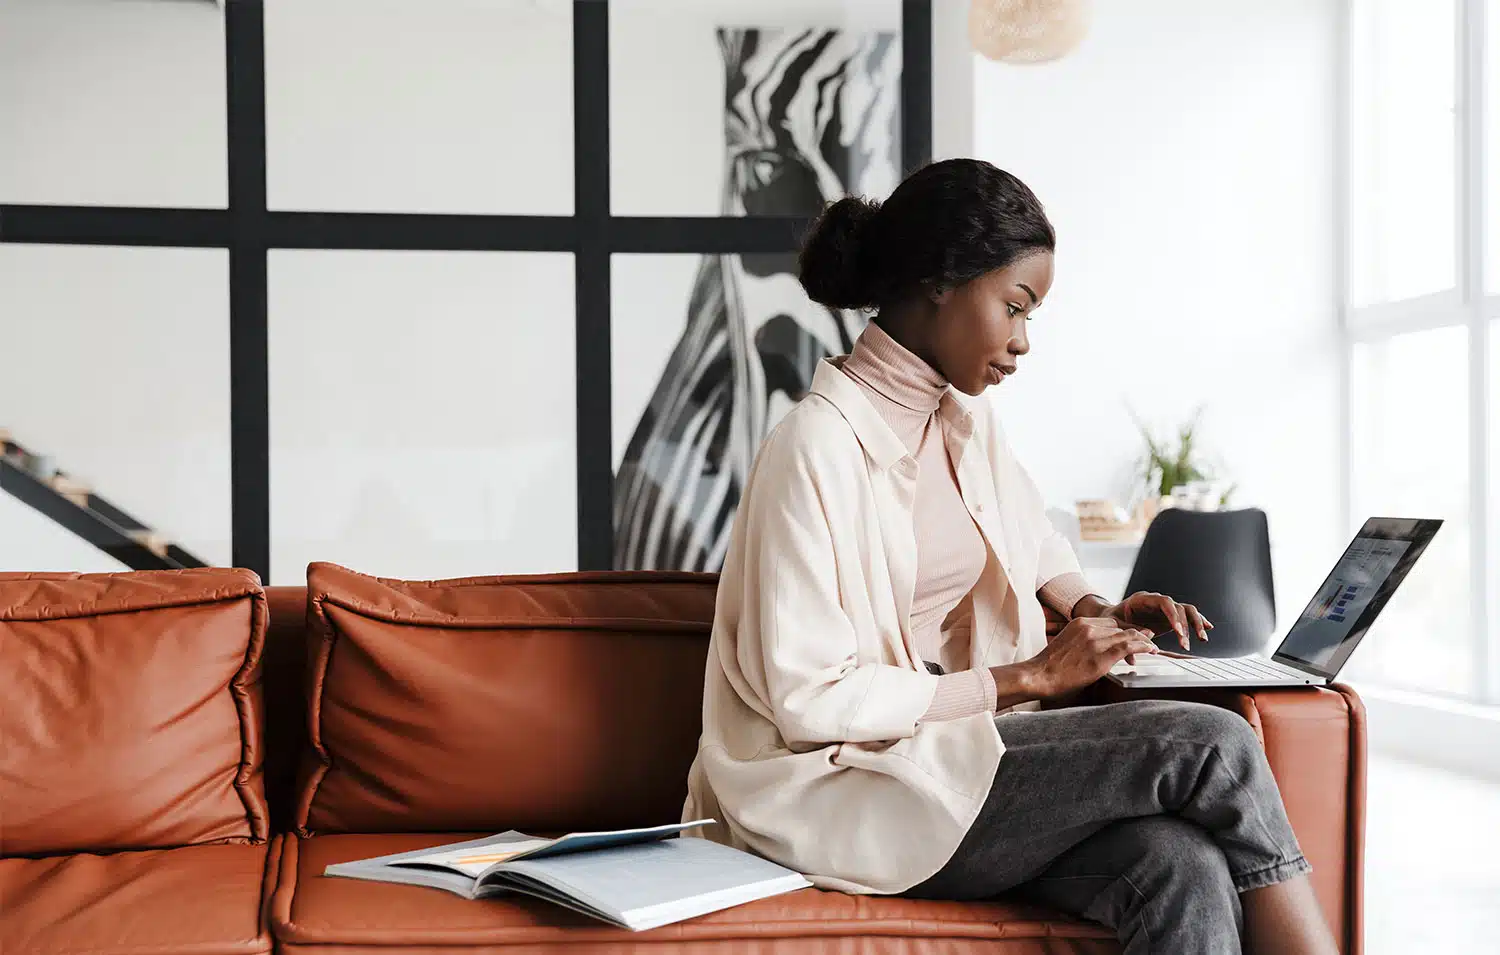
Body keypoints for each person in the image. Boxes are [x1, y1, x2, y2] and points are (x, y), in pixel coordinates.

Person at [681, 159, 1339, 955]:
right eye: (1015, 307)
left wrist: (1095, 609)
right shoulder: (813, 447)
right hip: (841, 789)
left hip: (942, 766)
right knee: (1212, 744)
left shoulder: (964, 423)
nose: (1023, 342)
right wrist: (1027, 678)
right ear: (939, 281)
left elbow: (1031, 540)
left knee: (1180, 864)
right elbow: (810, 698)